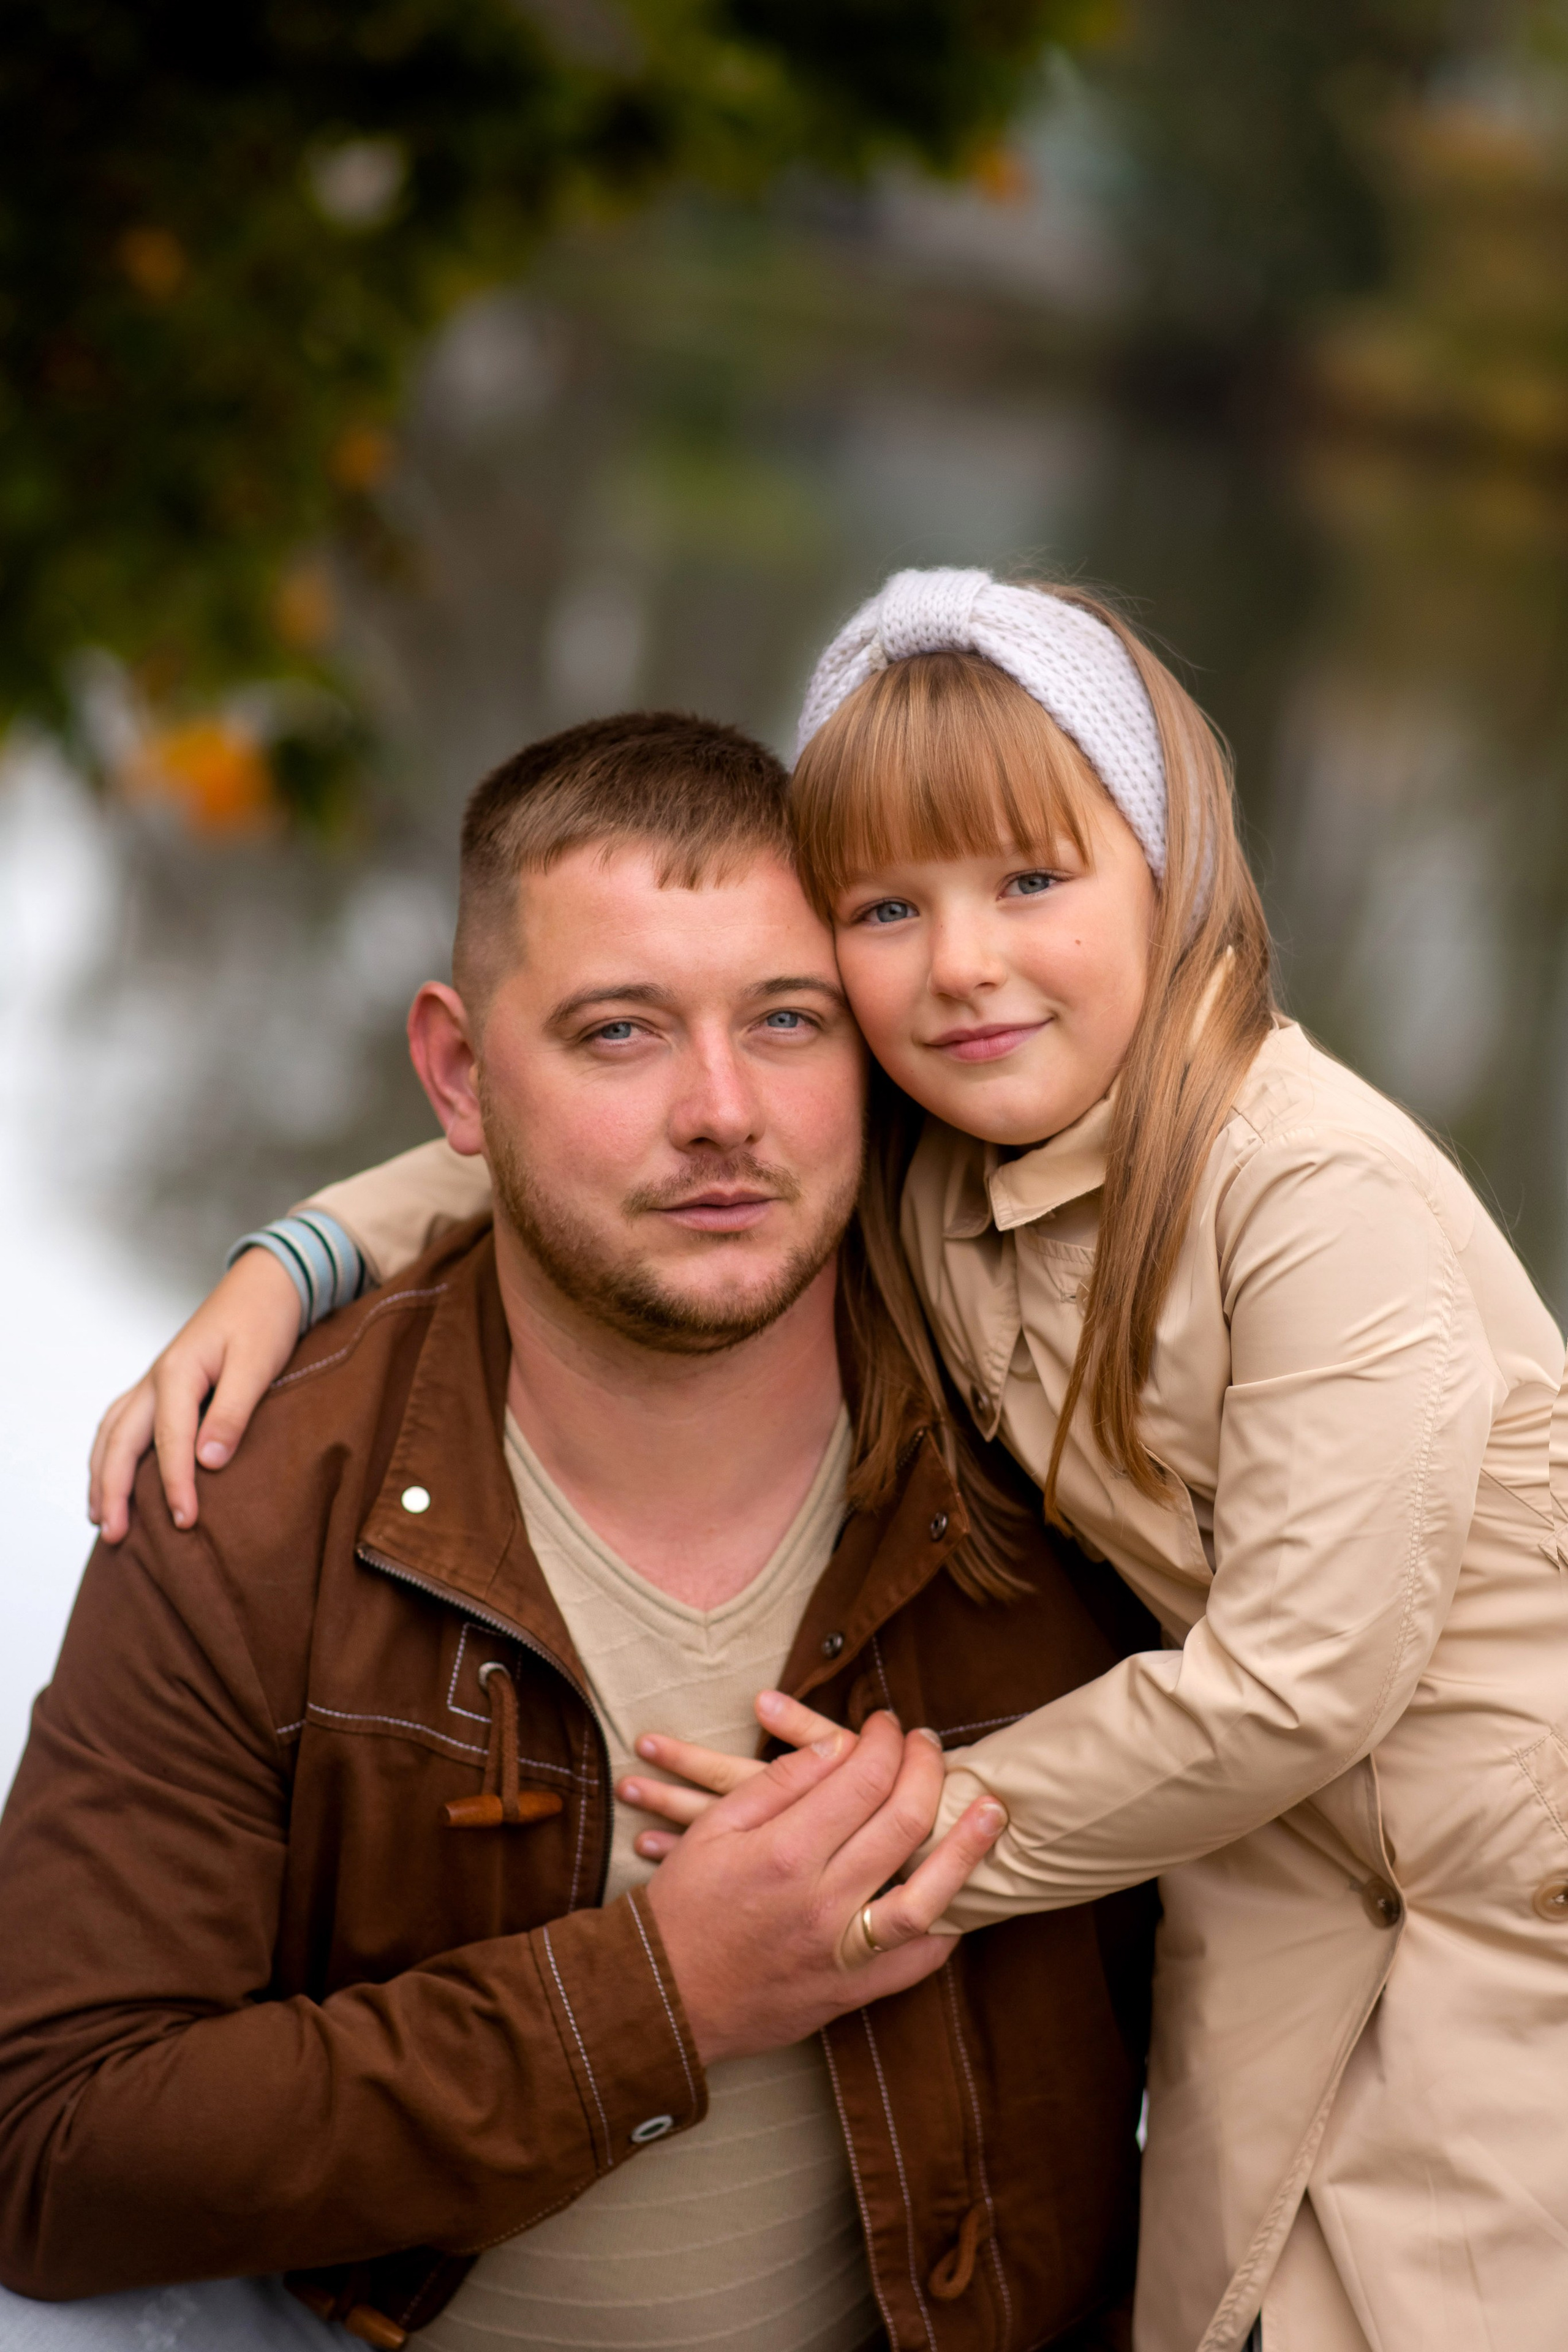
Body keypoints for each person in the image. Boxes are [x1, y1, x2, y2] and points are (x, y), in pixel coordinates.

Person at [108, 571, 1568, 2352]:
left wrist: (889, 1847)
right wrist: (301, 1261)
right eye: (887, 909)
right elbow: (605, 1140)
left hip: (1508, 1907)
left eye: (1033, 881)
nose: (962, 964)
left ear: (1173, 873)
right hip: (1278, 1889)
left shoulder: (1315, 1198)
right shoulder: (943, 1140)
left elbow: (1302, 1680)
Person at [2, 709, 1159, 2352]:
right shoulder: (241, 1500)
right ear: (462, 1074)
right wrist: (656, 1999)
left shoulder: (1075, 1484)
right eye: (621, 1033)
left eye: (789, 1021)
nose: (721, 1111)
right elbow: (49, 2146)